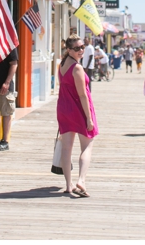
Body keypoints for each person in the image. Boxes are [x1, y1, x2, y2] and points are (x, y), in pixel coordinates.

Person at [56, 35, 98, 198]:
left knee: (67, 147)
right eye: (77, 48)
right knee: (87, 145)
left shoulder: (62, 64)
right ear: (68, 50)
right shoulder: (77, 68)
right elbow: (82, 95)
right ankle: (81, 180)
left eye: (82, 47)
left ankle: (68, 185)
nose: (81, 50)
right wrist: (89, 118)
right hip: (78, 109)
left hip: (63, 108)